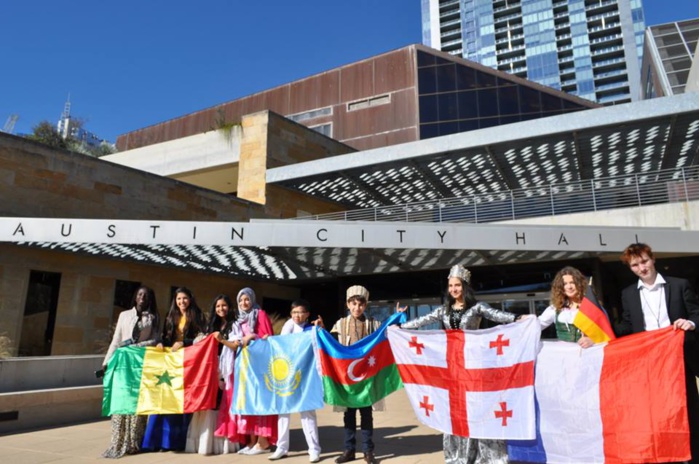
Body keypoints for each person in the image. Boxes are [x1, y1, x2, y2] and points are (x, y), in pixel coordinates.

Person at [399, 264, 526, 464]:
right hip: (453, 368)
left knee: (477, 407)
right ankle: (459, 454)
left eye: (457, 285)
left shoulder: (477, 308)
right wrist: (400, 326)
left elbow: (496, 315)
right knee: (455, 409)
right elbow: (422, 320)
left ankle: (483, 454)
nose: (454, 290)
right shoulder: (444, 311)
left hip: (475, 366)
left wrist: (518, 317)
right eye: (451, 286)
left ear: (464, 287)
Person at [617, 243, 699, 464]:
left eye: (644, 261)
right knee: (657, 412)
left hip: (679, 359)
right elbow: (626, 325)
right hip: (647, 364)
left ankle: (693, 456)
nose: (641, 268)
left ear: (653, 259)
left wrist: (690, 322)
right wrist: (599, 333)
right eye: (635, 265)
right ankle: (665, 456)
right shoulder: (628, 294)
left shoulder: (680, 285)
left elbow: (696, 313)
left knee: (687, 409)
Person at [142, 286, 205, 452]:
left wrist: (185, 342)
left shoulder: (197, 316)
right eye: (178, 299)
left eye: (184, 298)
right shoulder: (171, 315)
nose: (181, 302)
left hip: (188, 362)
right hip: (170, 362)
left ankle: (174, 442)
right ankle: (157, 442)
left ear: (190, 299)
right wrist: (161, 342)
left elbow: (202, 338)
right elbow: (165, 336)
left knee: (179, 402)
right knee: (163, 399)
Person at [101, 286, 160, 459]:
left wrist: (135, 347)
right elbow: (116, 340)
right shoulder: (124, 315)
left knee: (136, 403)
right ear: (135, 297)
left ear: (149, 300)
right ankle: (117, 442)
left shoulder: (153, 318)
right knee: (120, 402)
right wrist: (106, 361)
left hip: (139, 364)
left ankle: (134, 441)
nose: (142, 297)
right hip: (122, 364)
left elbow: (155, 339)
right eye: (140, 294)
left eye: (146, 296)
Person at [330, 285, 382, 464]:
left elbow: (386, 336)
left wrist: (397, 319)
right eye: (353, 304)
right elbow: (330, 345)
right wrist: (320, 330)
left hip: (366, 378)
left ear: (365, 305)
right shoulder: (340, 324)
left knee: (366, 415)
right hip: (348, 379)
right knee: (349, 416)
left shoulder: (374, 324)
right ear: (347, 304)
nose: (357, 308)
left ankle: (368, 451)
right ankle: (349, 450)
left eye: (360, 304)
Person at [269, 299, 324, 462]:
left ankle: (314, 449)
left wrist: (321, 329)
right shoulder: (287, 328)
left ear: (307, 314)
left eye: (300, 312)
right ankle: (282, 447)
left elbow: (321, 346)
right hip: (287, 375)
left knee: (307, 413)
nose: (297, 316)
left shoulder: (312, 329)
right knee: (283, 412)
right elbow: (279, 347)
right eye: (293, 312)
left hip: (306, 377)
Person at [186, 294, 240, 455]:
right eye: (217, 306)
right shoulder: (210, 325)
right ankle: (204, 442)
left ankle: (222, 444)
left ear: (229, 307)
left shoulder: (235, 325)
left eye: (224, 305)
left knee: (221, 403)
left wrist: (222, 339)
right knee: (208, 402)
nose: (221, 309)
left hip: (227, 369)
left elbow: (236, 346)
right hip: (210, 370)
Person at [235, 287, 278, 455]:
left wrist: (251, 336)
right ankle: (251, 441)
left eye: (247, 299)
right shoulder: (238, 318)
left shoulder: (260, 314)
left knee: (261, 402)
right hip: (245, 365)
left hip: (259, 364)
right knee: (249, 402)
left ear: (252, 299)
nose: (244, 303)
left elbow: (269, 338)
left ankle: (263, 442)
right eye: (241, 300)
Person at [537, 266, 594, 348]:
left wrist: (592, 340)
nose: (569, 287)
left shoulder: (592, 306)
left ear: (579, 284)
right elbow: (536, 326)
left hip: (588, 354)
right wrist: (525, 320)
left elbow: (606, 333)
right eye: (565, 284)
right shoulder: (555, 308)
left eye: (572, 282)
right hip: (564, 356)